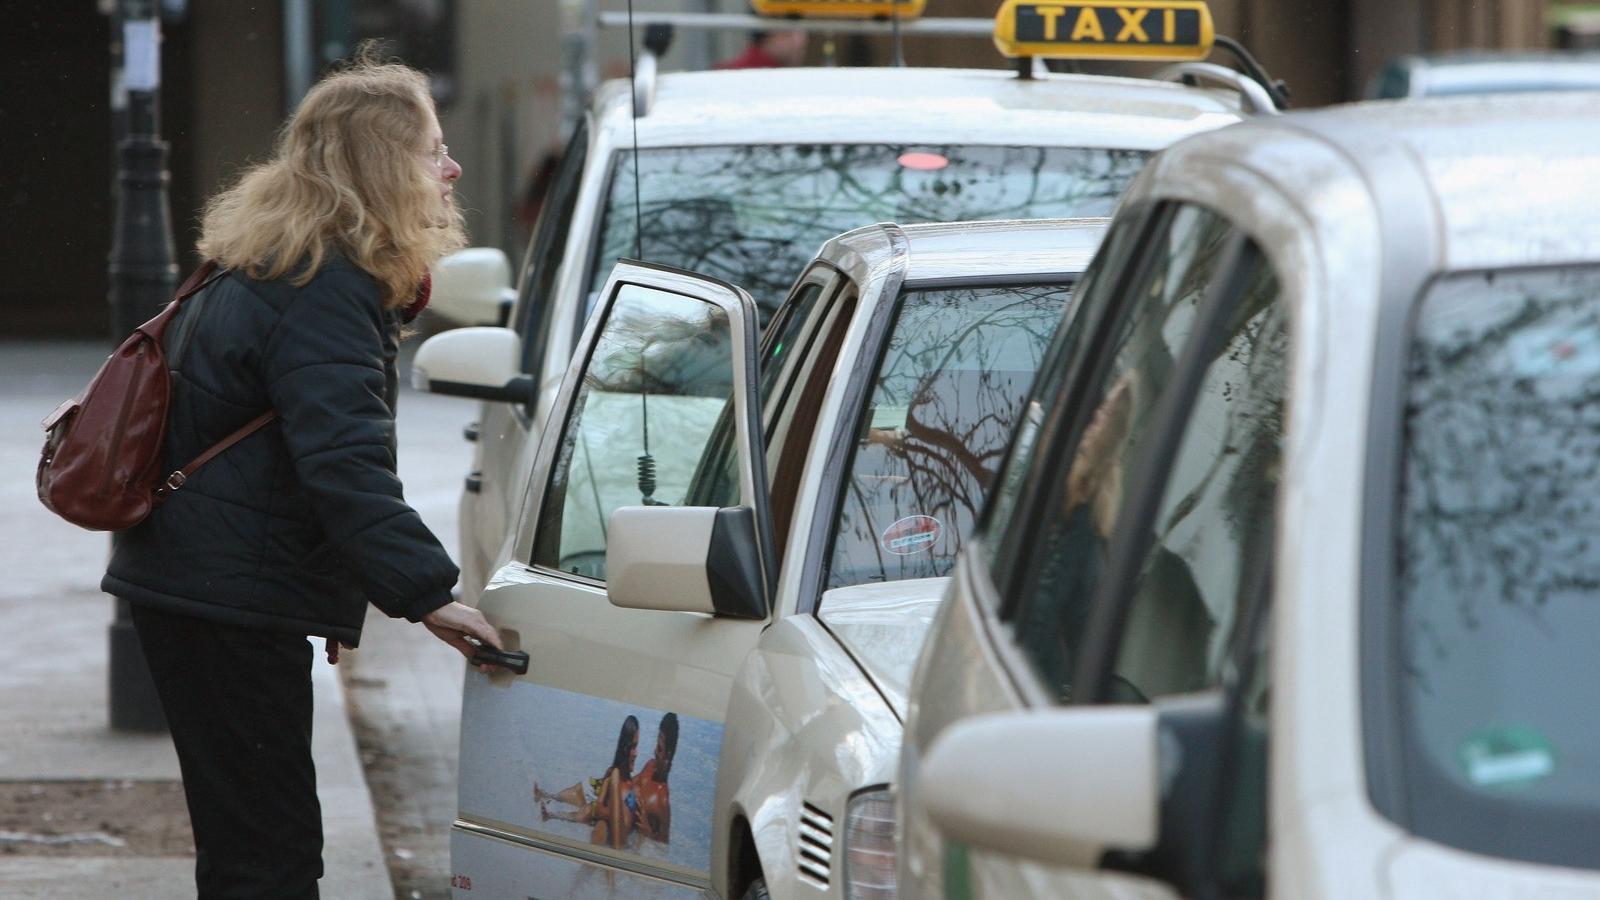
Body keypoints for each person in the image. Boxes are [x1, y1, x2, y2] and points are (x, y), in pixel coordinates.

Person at [101, 47, 504, 899]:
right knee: (270, 855)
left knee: (251, 839)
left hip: (201, 590)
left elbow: (286, 456)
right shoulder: (325, 288)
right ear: (382, 165)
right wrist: (429, 594)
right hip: (221, 604)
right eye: (433, 150)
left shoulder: (274, 262)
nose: (451, 166)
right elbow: (342, 461)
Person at [536, 715, 641, 849]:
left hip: (599, 810)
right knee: (576, 815)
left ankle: (549, 809)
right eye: (633, 747)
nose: (637, 753)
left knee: (577, 814)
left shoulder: (630, 781)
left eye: (637, 746)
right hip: (596, 812)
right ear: (624, 748)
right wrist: (614, 814)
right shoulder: (612, 775)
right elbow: (599, 804)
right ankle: (550, 814)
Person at [633, 712, 678, 842]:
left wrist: (649, 833)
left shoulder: (662, 801)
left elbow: (663, 847)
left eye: (659, 748)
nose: (654, 751)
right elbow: (630, 783)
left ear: (668, 756)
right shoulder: (650, 766)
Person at [715, 29, 808, 69]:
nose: (799, 41)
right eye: (788, 34)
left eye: (801, 33)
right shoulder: (728, 76)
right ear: (766, 38)